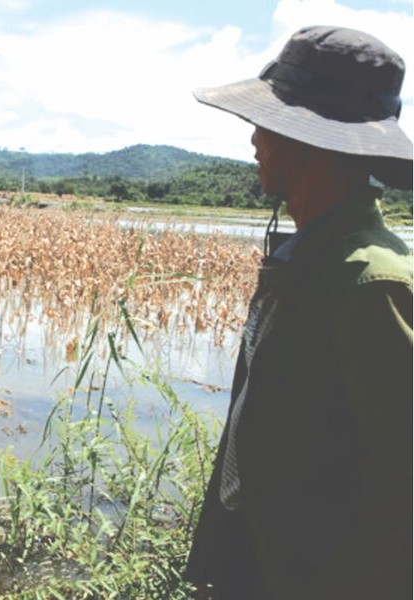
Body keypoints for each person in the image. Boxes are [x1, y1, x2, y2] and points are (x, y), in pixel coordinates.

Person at [184, 26, 413, 600]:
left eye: (266, 126)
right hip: (261, 557)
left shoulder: (370, 281)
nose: (255, 141)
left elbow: (402, 492)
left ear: (307, 141)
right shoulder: (312, 257)